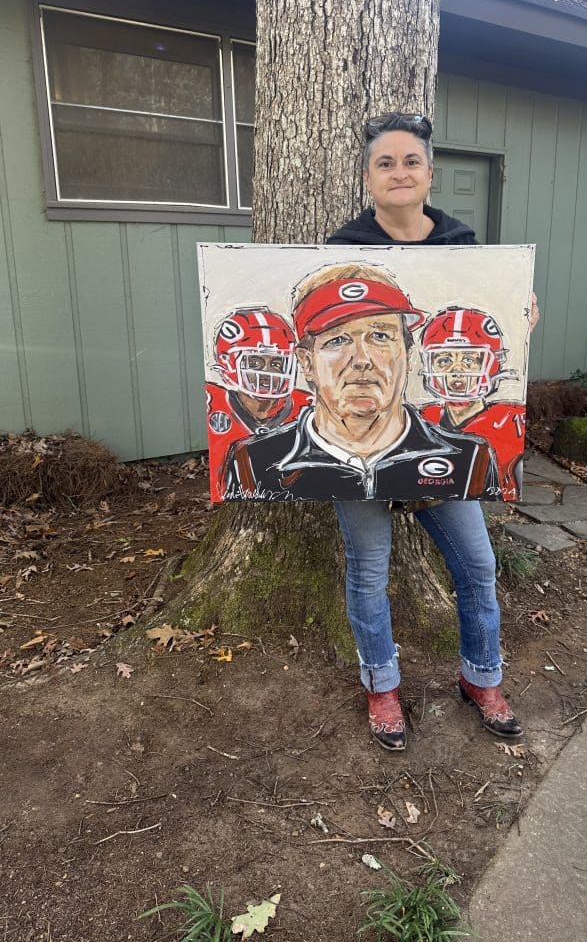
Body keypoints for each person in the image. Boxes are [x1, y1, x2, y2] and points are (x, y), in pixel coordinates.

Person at [324, 111, 539, 751]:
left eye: (410, 161)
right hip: (358, 442)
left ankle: (482, 677)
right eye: (385, 162)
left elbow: (489, 335)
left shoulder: (465, 247)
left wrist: (521, 314)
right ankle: (382, 687)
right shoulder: (341, 251)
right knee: (368, 570)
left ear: (429, 173)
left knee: (476, 563)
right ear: (368, 177)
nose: (399, 172)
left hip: (440, 444)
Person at [224, 263, 497, 502]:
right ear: (306, 363)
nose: (362, 360)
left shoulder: (471, 458)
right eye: (338, 340)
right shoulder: (253, 463)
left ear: (408, 354)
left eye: (380, 336)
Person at [419, 306, 527, 502]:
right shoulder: (421, 419)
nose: (457, 370)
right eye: (444, 360)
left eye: (469, 359)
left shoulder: (510, 422)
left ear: (492, 363)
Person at [205, 307, 312, 502]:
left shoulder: (307, 407)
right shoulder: (213, 404)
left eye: (276, 363)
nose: (267, 373)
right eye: (254, 363)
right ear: (227, 363)